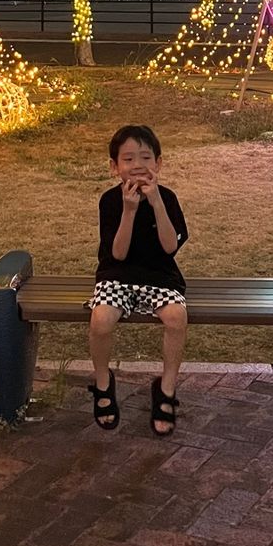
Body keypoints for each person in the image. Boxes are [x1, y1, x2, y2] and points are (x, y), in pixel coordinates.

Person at [87, 124, 188, 436]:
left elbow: (170, 247)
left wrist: (155, 202)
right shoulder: (110, 201)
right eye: (128, 159)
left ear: (159, 163)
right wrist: (129, 211)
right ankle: (103, 383)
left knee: (176, 317)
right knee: (101, 319)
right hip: (117, 276)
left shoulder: (168, 198)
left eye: (146, 157)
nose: (138, 165)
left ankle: (167, 389)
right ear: (114, 167)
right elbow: (117, 254)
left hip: (160, 276)